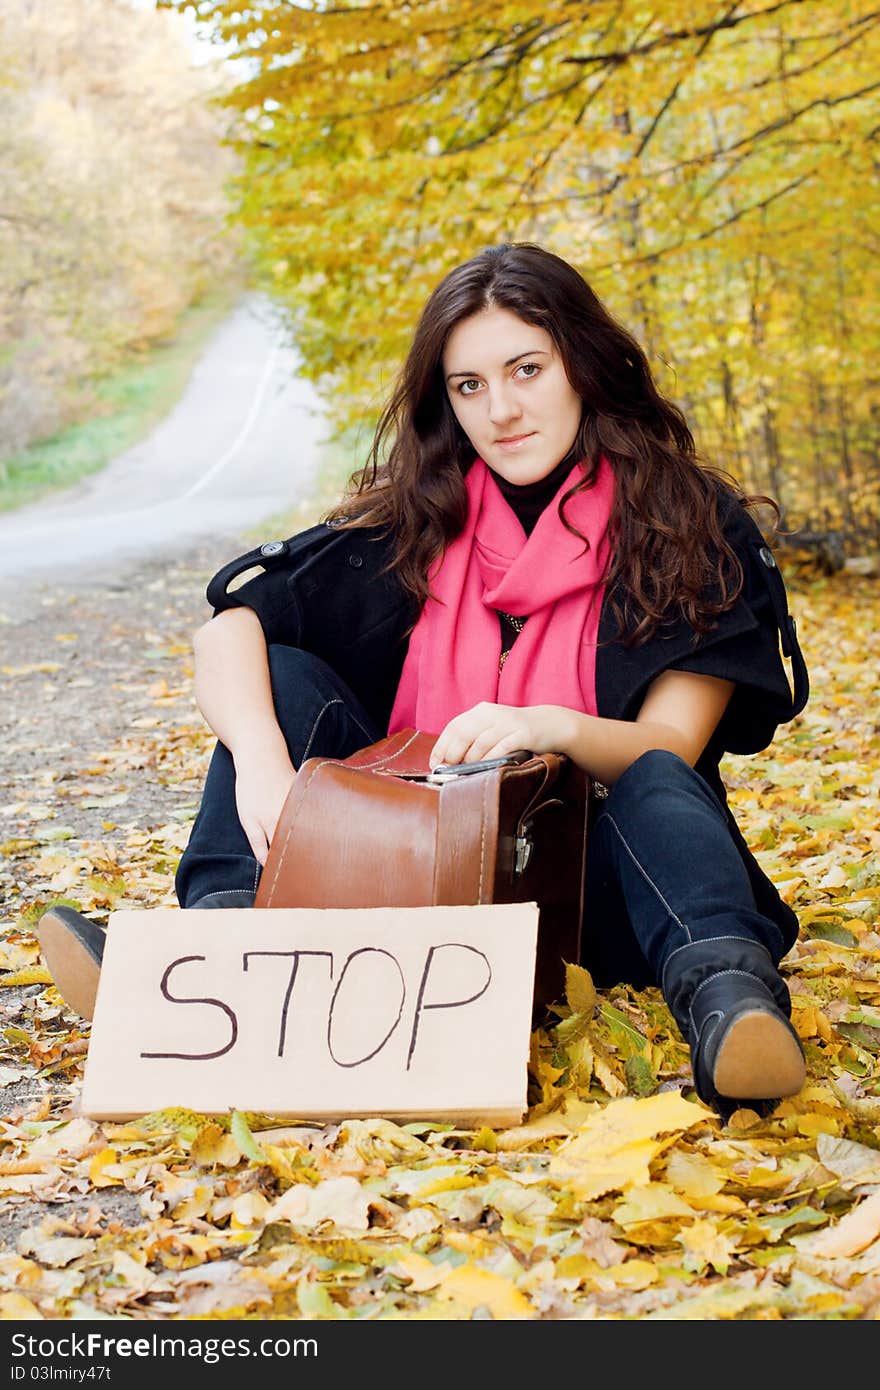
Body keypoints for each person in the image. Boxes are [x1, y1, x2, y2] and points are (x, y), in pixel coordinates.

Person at [37, 242, 810, 1118]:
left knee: (659, 777)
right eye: (468, 385)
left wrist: (548, 725)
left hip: (601, 901)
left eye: (527, 369)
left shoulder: (684, 526)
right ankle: (207, 960)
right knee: (278, 676)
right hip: (409, 884)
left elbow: (672, 741)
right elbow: (230, 628)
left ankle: (730, 1007)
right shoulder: (418, 519)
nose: (502, 410)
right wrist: (260, 759)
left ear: (584, 366)